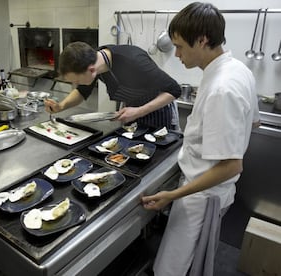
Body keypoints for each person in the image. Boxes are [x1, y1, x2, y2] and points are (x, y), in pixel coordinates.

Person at [141, 2, 260, 276]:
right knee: (191, 259)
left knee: (174, 268)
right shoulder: (238, 70)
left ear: (203, 40)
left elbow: (232, 165)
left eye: (180, 46)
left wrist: (172, 195)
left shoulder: (222, 88)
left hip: (201, 196)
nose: (177, 54)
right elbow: (255, 121)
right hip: (206, 190)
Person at [44, 42, 182, 130]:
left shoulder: (134, 60)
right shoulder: (90, 60)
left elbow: (174, 89)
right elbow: (82, 92)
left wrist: (139, 111)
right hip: (132, 110)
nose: (76, 85)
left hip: (158, 109)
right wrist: (61, 106)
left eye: (77, 81)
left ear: (91, 70)